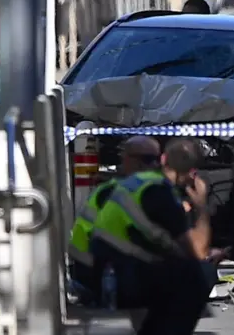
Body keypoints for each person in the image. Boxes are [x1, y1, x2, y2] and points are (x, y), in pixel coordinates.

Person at [91, 138, 212, 335]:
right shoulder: (158, 193)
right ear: (193, 172)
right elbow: (199, 251)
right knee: (200, 274)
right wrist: (202, 207)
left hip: (105, 269)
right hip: (119, 277)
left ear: (163, 159)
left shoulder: (139, 184)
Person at [68, 136, 161, 304]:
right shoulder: (117, 191)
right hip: (97, 268)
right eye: (150, 160)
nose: (155, 165)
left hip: (93, 264)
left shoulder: (115, 189)